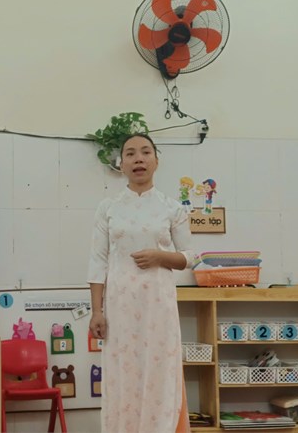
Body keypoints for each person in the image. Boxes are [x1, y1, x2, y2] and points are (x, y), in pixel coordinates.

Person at [87, 133, 194, 433]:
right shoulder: (108, 208)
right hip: (119, 308)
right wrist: (97, 311)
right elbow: (97, 261)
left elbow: (190, 257)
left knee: (159, 370)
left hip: (158, 307)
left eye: (146, 152)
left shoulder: (172, 208)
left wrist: (161, 256)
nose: (138, 159)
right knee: (122, 372)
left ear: (156, 161)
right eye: (130, 153)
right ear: (121, 164)